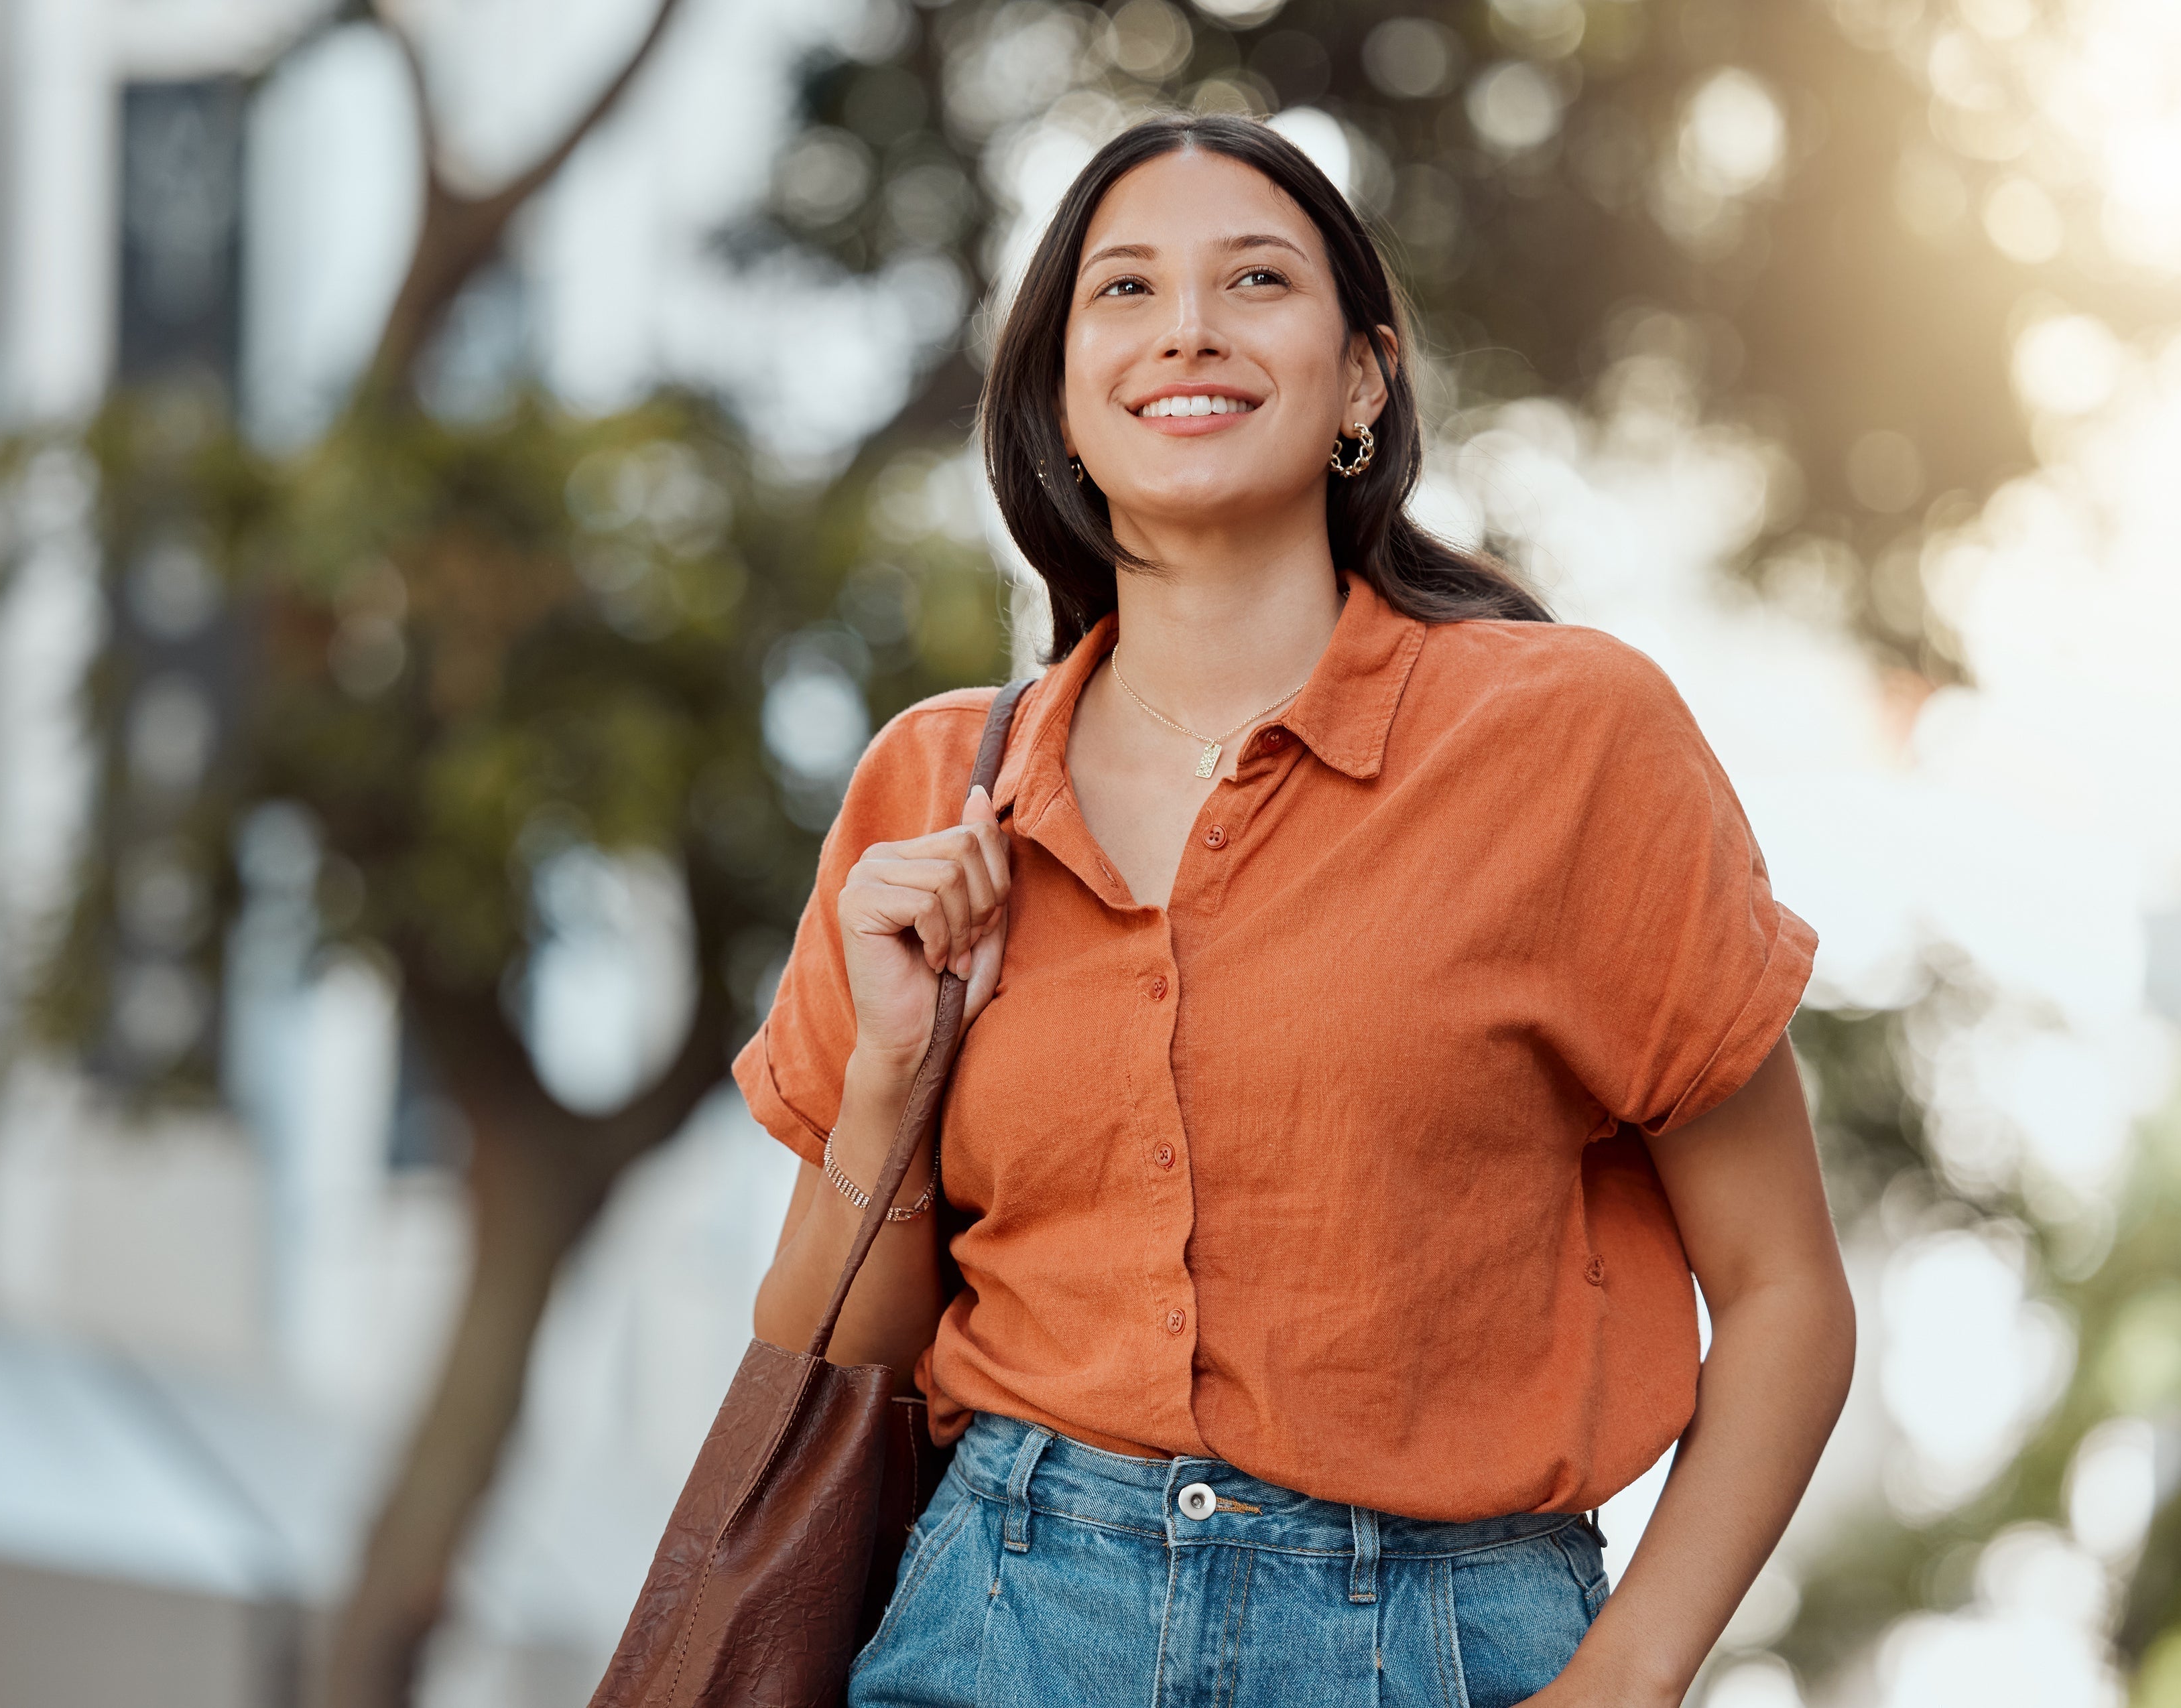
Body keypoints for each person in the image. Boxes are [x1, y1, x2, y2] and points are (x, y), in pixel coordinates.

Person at [746, 113, 1854, 1708]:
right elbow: (825, 1374)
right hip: (999, 1626)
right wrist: (887, 1082)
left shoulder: (1567, 740)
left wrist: (1627, 1685)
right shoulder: (930, 790)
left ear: (1361, 381)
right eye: (1122, 291)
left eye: (1254, 279)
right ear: (1059, 395)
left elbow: (1784, 1294)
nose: (1186, 325)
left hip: (1443, 1646)